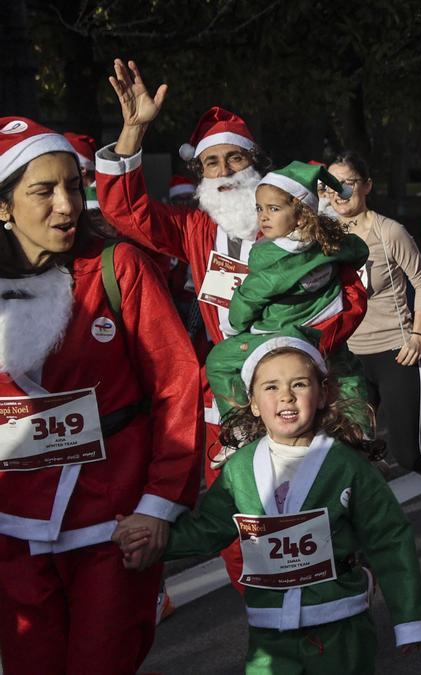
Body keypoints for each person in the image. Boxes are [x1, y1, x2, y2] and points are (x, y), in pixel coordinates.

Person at [96, 58, 367, 587]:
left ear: (255, 165)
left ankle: (336, 609)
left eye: (233, 159)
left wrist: (299, 349)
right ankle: (270, 625)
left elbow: (352, 296)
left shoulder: (298, 219)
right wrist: (133, 131)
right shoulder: (195, 229)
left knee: (322, 508)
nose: (222, 172)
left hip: (304, 388)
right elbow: (125, 213)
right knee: (241, 517)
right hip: (231, 399)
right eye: (210, 163)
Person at [0, 117, 201, 674]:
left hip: (113, 522)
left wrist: (158, 506)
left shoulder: (118, 267)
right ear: (4, 206)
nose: (67, 205)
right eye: (44, 191)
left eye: (72, 185)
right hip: (13, 528)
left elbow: (176, 384)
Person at [116, 334, 421, 673]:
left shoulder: (347, 465)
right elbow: (209, 529)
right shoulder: (239, 469)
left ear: (323, 394)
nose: (286, 395)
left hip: (340, 622)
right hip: (269, 633)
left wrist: (409, 618)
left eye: (299, 384)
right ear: (252, 402)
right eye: (271, 387)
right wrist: (153, 542)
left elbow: (389, 537)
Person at [325, 151, 421, 533]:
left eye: (347, 183)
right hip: (349, 357)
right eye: (331, 184)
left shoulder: (389, 232)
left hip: (397, 351)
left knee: (407, 453)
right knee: (351, 450)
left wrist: (418, 334)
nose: (339, 192)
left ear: (366, 186)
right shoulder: (323, 234)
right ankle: (368, 533)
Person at [204, 161, 370, 421]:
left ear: (301, 213)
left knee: (218, 361)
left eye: (274, 208)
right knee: (348, 369)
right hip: (325, 330)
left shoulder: (270, 257)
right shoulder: (331, 245)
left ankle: (239, 425)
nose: (264, 216)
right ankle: (361, 429)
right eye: (260, 208)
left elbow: (248, 299)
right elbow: (360, 250)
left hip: (280, 334)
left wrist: (234, 328)